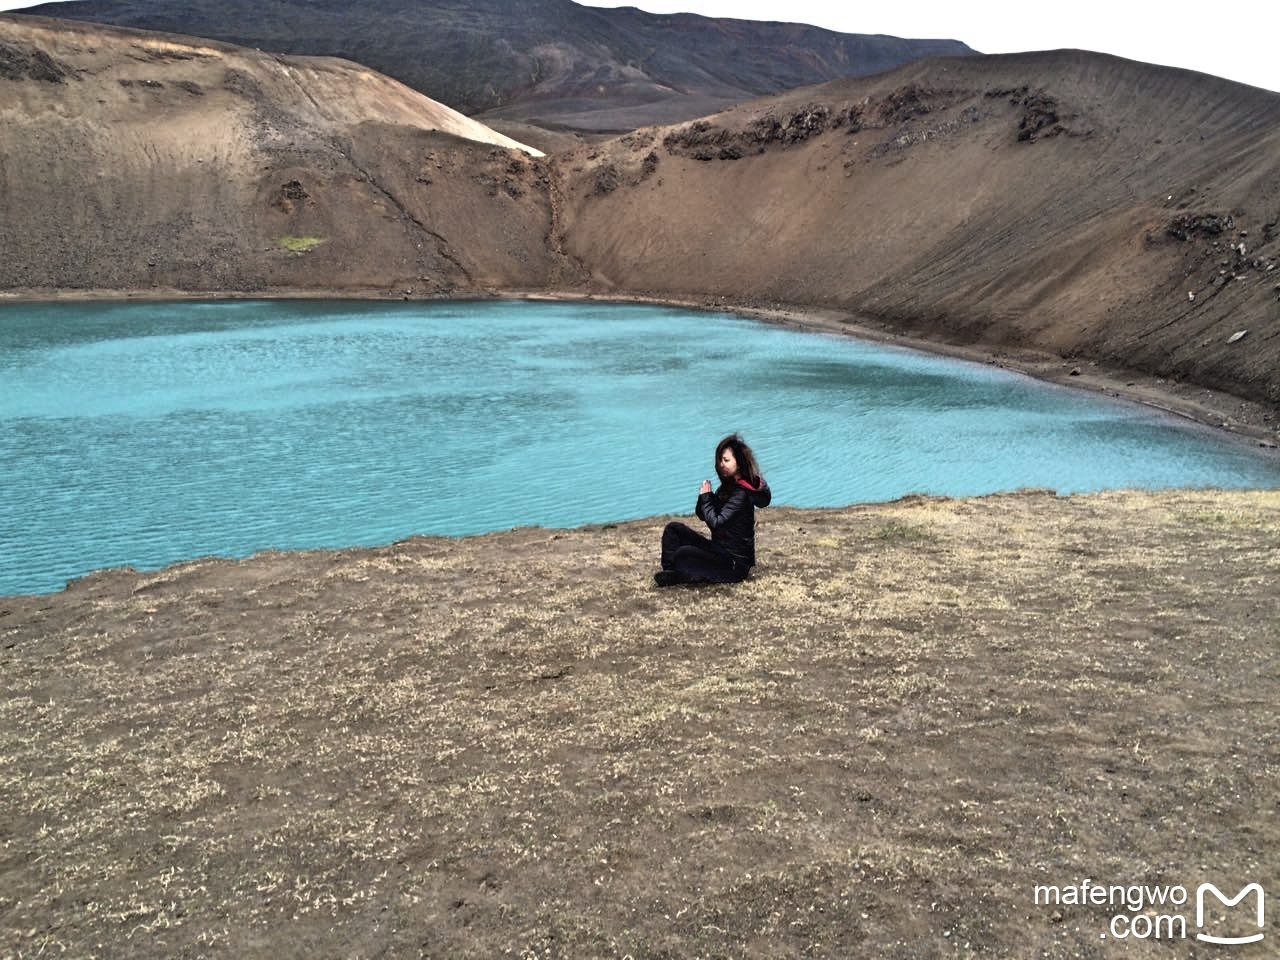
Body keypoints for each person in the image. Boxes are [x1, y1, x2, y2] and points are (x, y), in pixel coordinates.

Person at [654, 433, 771, 587]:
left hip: (735, 564)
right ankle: (671, 573)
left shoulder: (741, 494)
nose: (722, 464)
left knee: (684, 553)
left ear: (740, 463)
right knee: (673, 530)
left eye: (727, 460)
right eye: (720, 460)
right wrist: (704, 497)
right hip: (719, 550)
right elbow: (702, 515)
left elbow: (717, 524)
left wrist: (706, 498)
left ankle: (682, 573)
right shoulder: (727, 487)